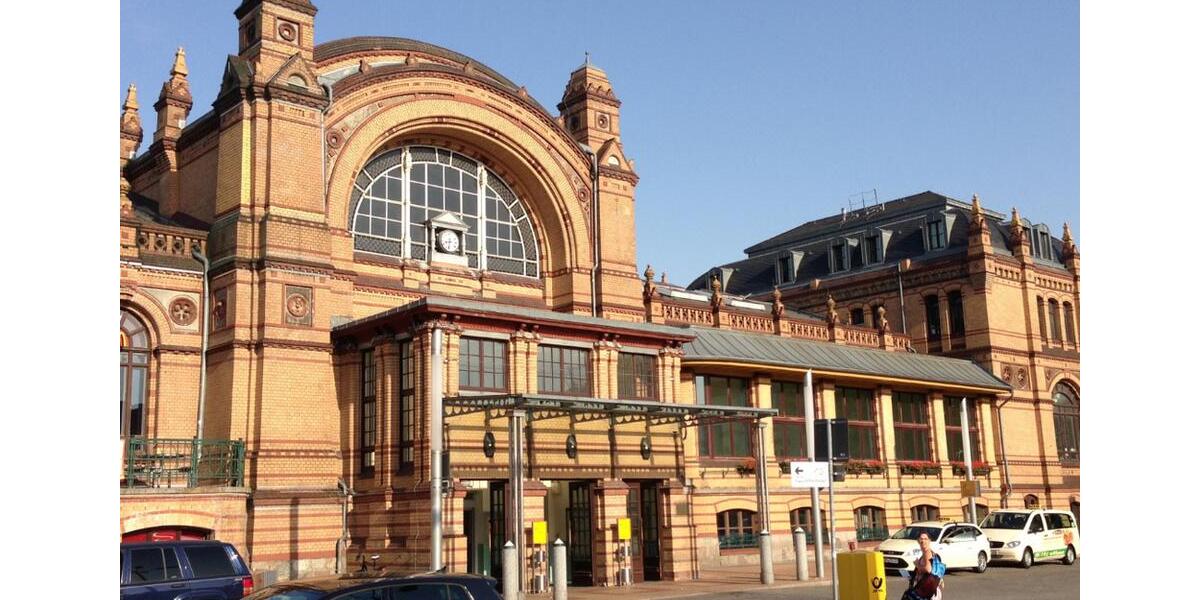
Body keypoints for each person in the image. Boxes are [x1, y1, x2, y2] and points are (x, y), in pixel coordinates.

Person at [903, 532, 945, 600]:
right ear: (918, 541)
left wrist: (917, 564)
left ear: (929, 540)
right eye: (921, 539)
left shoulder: (927, 553)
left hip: (927, 591)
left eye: (925, 539)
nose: (923, 541)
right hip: (929, 590)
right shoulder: (929, 553)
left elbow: (928, 569)